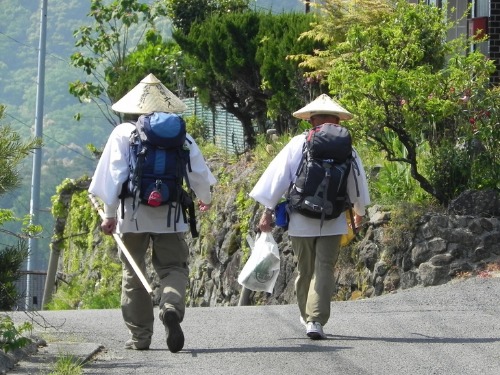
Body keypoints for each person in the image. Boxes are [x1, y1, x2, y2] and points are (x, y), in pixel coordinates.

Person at [89, 73, 217, 353]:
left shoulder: (124, 133)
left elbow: (113, 177)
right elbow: (199, 175)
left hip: (132, 215)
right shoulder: (183, 136)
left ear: (135, 107)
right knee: (173, 268)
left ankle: (140, 338)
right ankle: (170, 306)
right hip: (171, 215)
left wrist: (109, 215)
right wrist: (204, 199)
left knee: (134, 274)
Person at [249, 94, 370, 340]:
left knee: (305, 270)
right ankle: (316, 320)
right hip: (334, 217)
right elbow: (356, 184)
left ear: (311, 120)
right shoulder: (348, 148)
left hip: (301, 218)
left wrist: (268, 211)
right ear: (337, 121)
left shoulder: (298, 143)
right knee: (324, 267)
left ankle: (308, 317)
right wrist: (359, 213)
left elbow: (278, 179)